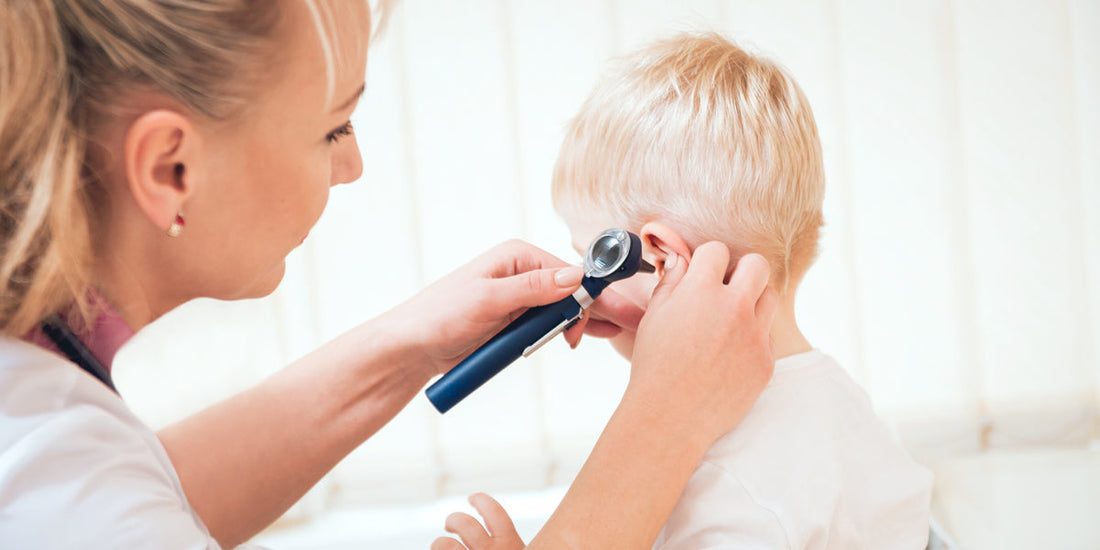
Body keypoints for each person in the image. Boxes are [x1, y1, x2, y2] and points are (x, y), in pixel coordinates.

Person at [0, 3, 780, 549]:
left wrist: (405, 346)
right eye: (333, 126)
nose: (353, 164)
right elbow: (112, 506)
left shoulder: (49, 429)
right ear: (172, 168)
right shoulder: (64, 489)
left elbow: (153, 486)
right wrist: (664, 421)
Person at [434, 32, 934, 550]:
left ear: (660, 259)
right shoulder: (843, 407)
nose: (583, 288)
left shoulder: (722, 492)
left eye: (591, 258)